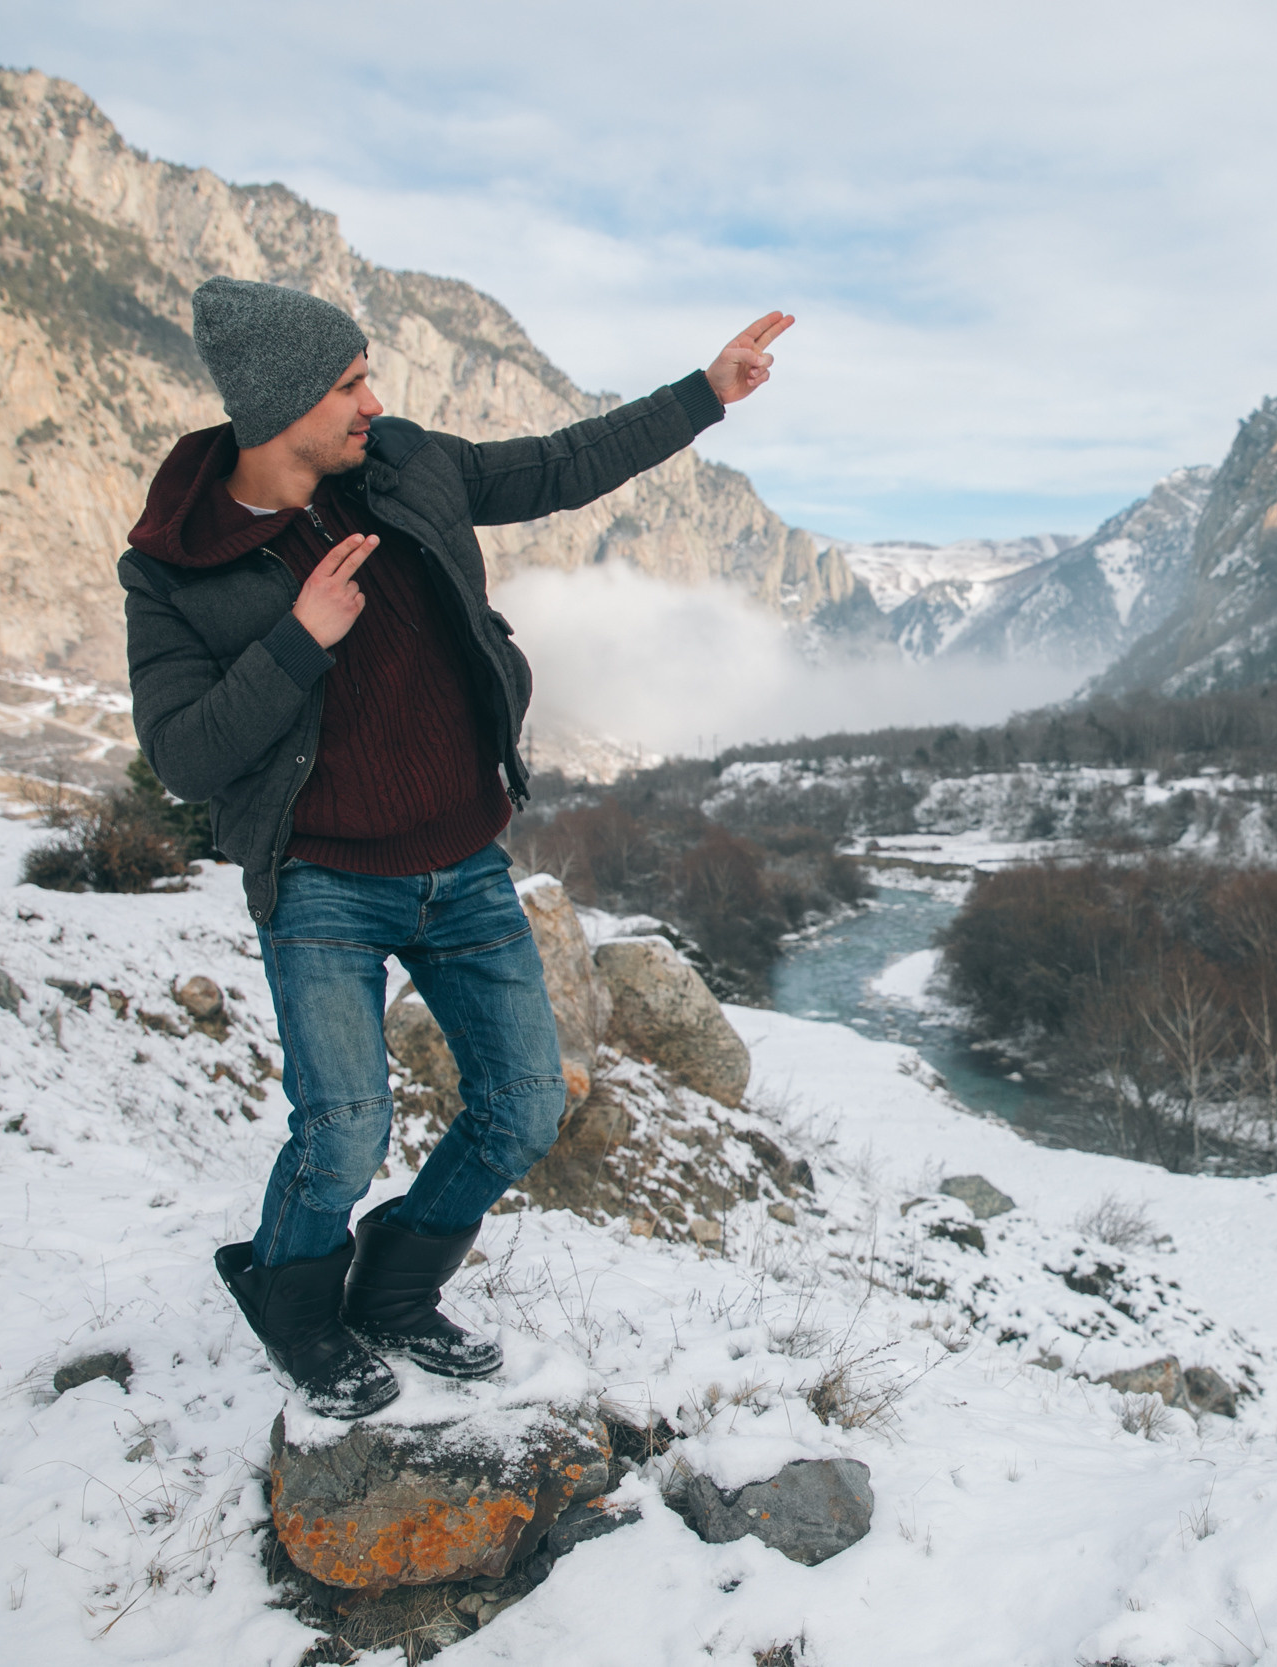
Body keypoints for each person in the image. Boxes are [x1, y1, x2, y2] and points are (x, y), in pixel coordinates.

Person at [120, 277, 790, 1417]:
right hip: (323, 881)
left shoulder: (404, 465)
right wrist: (295, 642)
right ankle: (290, 1305)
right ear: (282, 405)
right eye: (348, 385)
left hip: (463, 862)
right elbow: (183, 755)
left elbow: (555, 464)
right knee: (343, 1133)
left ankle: (391, 1286)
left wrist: (705, 394)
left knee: (526, 1103)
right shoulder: (177, 564)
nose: (372, 400)